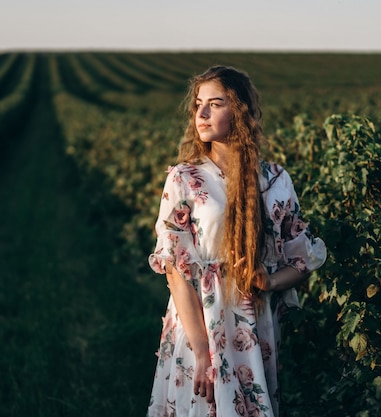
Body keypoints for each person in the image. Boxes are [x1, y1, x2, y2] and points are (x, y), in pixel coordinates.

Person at [147, 65, 327, 417]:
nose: (201, 113)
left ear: (240, 111)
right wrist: (202, 353)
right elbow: (174, 269)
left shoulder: (275, 180)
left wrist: (270, 281)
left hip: (252, 322)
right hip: (199, 322)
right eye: (198, 104)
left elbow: (302, 259)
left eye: (215, 104)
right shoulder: (185, 178)